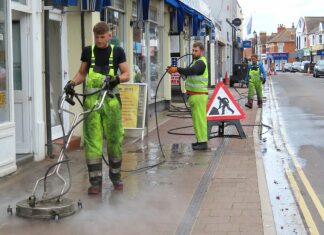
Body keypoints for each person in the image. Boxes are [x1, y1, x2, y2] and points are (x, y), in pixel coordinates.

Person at [65, 21, 130, 194]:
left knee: (115, 139)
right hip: (92, 102)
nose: (99, 40)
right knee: (92, 141)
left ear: (109, 35)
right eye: (97, 37)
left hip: (111, 102)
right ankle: (95, 182)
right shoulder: (88, 51)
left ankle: (116, 177)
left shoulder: (117, 52)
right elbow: (82, 73)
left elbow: (126, 74)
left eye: (102, 37)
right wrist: (71, 83)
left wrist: (116, 79)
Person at [167, 41, 208, 151]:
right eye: (193, 50)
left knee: (200, 120)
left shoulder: (201, 62)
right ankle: (200, 141)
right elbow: (189, 73)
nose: (194, 52)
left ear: (202, 51)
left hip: (199, 96)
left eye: (196, 51)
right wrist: (176, 71)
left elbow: (192, 71)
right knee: (196, 120)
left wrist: (177, 69)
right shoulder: (196, 62)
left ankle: (203, 142)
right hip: (194, 96)